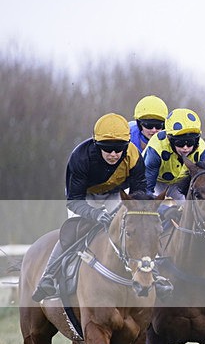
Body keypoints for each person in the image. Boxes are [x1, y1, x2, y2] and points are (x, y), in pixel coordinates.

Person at [31, 113, 147, 301]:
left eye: (119, 149)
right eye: (107, 149)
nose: (114, 154)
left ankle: (154, 274)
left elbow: (139, 194)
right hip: (84, 197)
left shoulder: (134, 156)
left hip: (114, 194)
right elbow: (74, 200)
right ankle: (48, 276)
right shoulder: (80, 157)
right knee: (73, 232)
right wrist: (95, 215)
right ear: (96, 145)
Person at [143, 107, 205, 200]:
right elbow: (147, 188)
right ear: (170, 140)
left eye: (190, 142)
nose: (185, 148)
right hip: (156, 181)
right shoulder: (156, 147)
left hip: (179, 183)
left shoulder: (202, 149)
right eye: (180, 143)